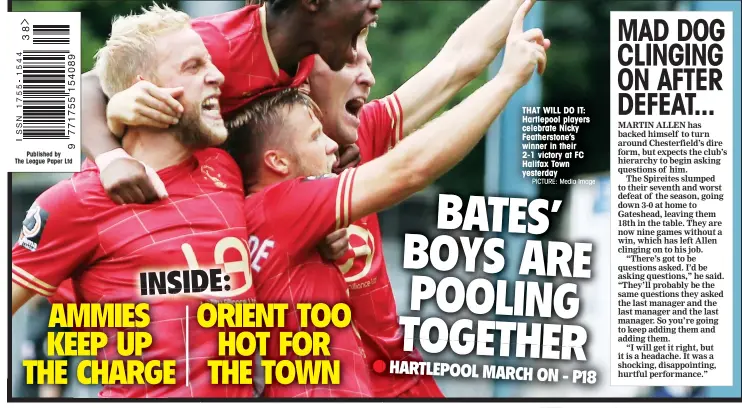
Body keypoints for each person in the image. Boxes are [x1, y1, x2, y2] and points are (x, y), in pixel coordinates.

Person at [224, 0, 548, 398]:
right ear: (303, 72)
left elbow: (458, 63)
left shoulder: (358, 138)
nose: (366, 69)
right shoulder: (260, 192)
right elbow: (409, 169)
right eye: (348, 55)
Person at [11, 5, 257, 398]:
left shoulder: (224, 167)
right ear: (145, 90)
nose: (217, 76)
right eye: (193, 67)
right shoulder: (77, 199)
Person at [83, 0, 381, 205]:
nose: (375, 5)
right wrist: (112, 158)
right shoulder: (216, 45)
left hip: (198, 222)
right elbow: (84, 86)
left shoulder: (305, 58)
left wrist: (327, 151)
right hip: (118, 209)